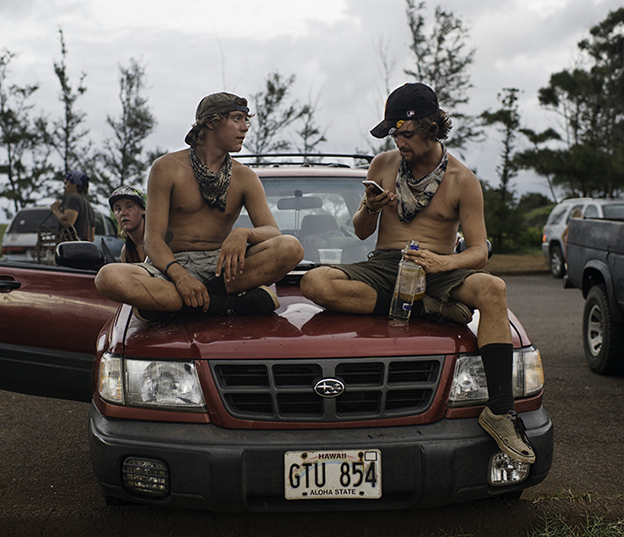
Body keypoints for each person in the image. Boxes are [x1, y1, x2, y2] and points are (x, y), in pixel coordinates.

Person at [300, 83, 535, 464]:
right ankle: (424, 307)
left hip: (437, 267)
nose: (399, 142)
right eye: (394, 134)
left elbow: (479, 252)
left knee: (493, 290)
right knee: (315, 282)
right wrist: (371, 208)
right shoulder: (383, 164)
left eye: (406, 133)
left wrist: (445, 262)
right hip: (385, 264)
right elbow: (360, 231)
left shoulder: (463, 180)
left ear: (431, 127)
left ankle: (501, 411)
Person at [94, 92, 304, 319]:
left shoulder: (245, 177)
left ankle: (181, 304)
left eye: (246, 121)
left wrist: (244, 234)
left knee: (290, 248)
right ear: (211, 123)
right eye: (236, 119)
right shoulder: (166, 168)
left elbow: (272, 232)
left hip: (223, 269)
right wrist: (180, 277)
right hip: (170, 265)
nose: (245, 128)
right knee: (108, 277)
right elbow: (152, 240)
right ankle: (226, 304)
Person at [50, 170, 95, 241]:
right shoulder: (89, 206)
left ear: (74, 184)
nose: (64, 187)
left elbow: (67, 222)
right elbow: (92, 237)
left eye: (66, 183)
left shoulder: (72, 198)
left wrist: (56, 210)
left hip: (71, 247)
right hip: (85, 247)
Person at [108, 186, 146, 263]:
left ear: (143, 210)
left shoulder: (159, 240)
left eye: (129, 206)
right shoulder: (126, 251)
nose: (123, 213)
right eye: (118, 209)